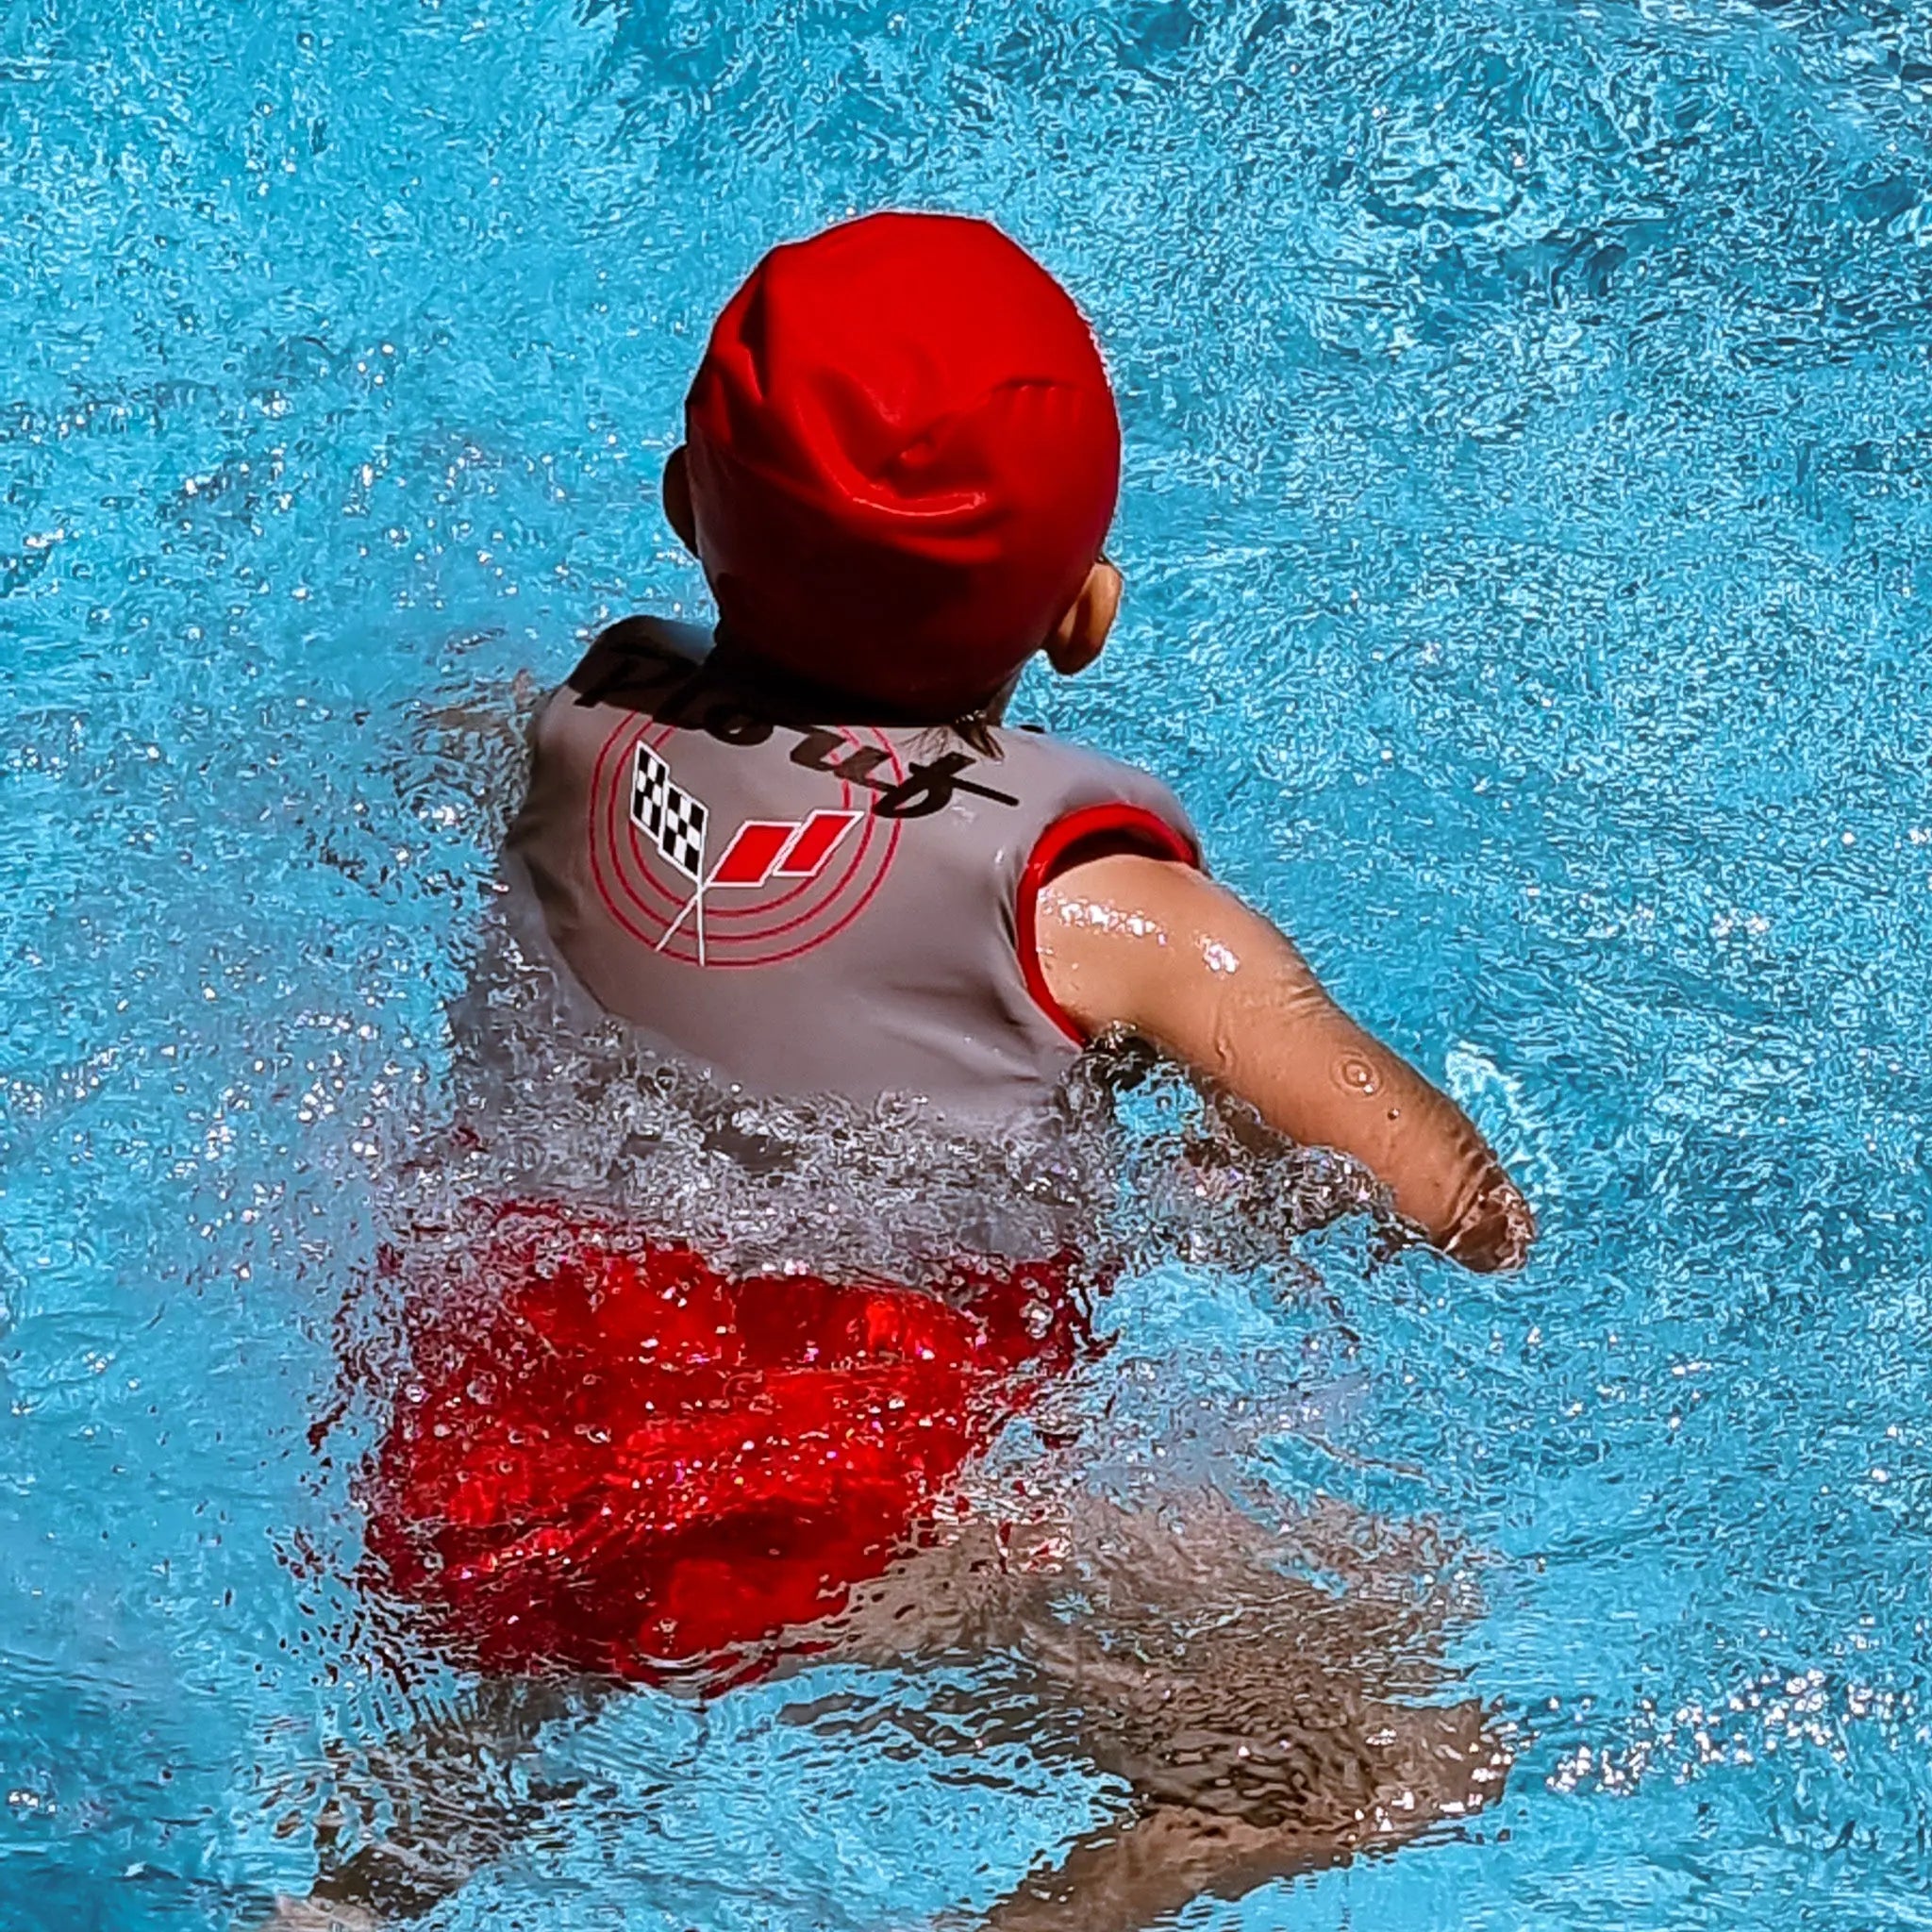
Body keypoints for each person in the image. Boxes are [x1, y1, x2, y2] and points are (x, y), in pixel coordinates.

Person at [273, 211, 1532, 1930]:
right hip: (830, 1535)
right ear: (1083, 615)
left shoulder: (566, 729)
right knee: (1391, 1744)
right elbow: (1441, 1199)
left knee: (538, 1613)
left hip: (472, 1465)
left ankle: (353, 1889)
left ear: (680, 511)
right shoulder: (1107, 911)